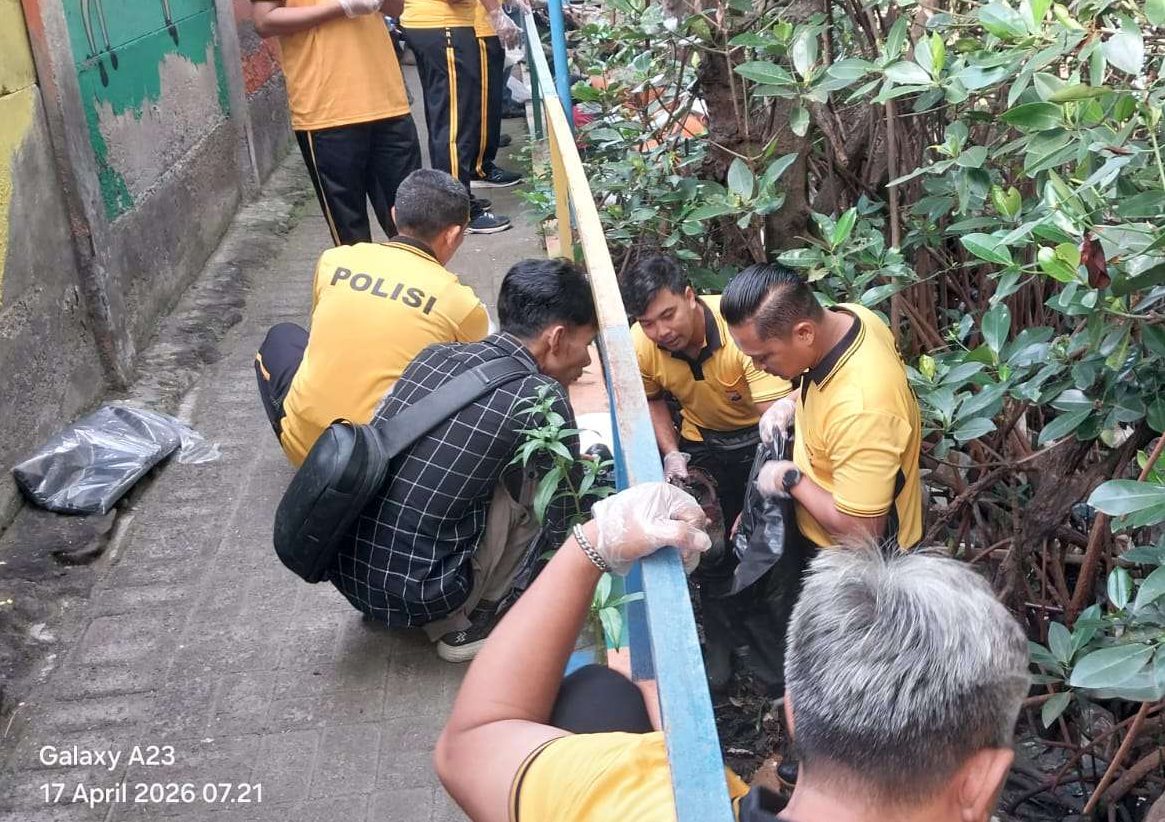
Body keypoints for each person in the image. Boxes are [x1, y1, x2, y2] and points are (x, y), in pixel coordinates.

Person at [433, 498, 1029, 822]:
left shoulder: (643, 804)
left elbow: (472, 742)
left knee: (595, 696)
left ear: (793, 712)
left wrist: (593, 542)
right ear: (980, 783)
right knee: (603, 695)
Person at [332, 259, 597, 661]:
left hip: (352, 574)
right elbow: (565, 513)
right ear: (557, 338)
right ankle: (476, 620)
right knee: (540, 493)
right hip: (423, 594)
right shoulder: (539, 395)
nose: (588, 361)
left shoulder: (434, 356)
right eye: (587, 343)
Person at [619, 254, 792, 691]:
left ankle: (768, 655)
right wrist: (672, 452)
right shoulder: (643, 345)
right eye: (648, 322)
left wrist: (753, 504)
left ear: (691, 297)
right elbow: (654, 397)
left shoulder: (741, 337)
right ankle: (720, 645)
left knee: (760, 547)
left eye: (668, 315)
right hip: (703, 443)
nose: (661, 332)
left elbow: (775, 426)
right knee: (708, 547)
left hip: (760, 439)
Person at [254, 168, 490, 466]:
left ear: (394, 215)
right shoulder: (461, 302)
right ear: (453, 233)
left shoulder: (335, 260)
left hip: (309, 451)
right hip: (387, 466)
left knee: (283, 337)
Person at [721, 264, 923, 552]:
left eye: (764, 356)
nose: (758, 368)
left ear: (804, 333)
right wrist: (788, 402)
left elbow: (861, 533)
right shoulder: (853, 319)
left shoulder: (862, 410)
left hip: (860, 567)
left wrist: (790, 478)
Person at [247, 0, 423, 245]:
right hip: (325, 109)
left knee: (412, 224)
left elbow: (397, 6)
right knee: (350, 235)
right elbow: (264, 20)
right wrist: (338, 7)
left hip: (388, 101)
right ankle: (356, 289)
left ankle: (418, 286)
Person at [399, 0, 511, 233]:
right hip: (442, 26)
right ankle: (457, 213)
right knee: (453, 126)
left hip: (439, 25)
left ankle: (458, 198)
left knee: (451, 121)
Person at [468, 0, 526, 190]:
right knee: (484, 101)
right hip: (480, 25)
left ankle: (484, 152)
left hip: (486, 22)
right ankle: (479, 167)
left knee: (490, 98)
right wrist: (496, 13)